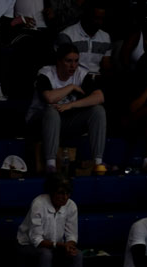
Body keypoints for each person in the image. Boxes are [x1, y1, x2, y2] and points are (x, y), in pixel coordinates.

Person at [26, 42, 106, 175]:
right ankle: (50, 164)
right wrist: (71, 87)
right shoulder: (46, 73)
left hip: (67, 121)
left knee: (98, 111)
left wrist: (71, 105)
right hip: (40, 121)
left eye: (76, 61)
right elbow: (50, 98)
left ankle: (98, 162)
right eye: (68, 61)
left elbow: (99, 97)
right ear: (59, 61)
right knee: (52, 111)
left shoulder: (81, 73)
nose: (73, 65)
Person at [15, 173, 81, 267]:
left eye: (67, 193)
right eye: (60, 193)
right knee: (45, 254)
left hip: (56, 245)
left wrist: (70, 245)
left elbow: (71, 234)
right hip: (28, 245)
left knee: (77, 255)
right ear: (51, 192)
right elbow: (36, 239)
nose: (65, 197)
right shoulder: (39, 203)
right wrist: (61, 246)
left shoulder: (71, 206)